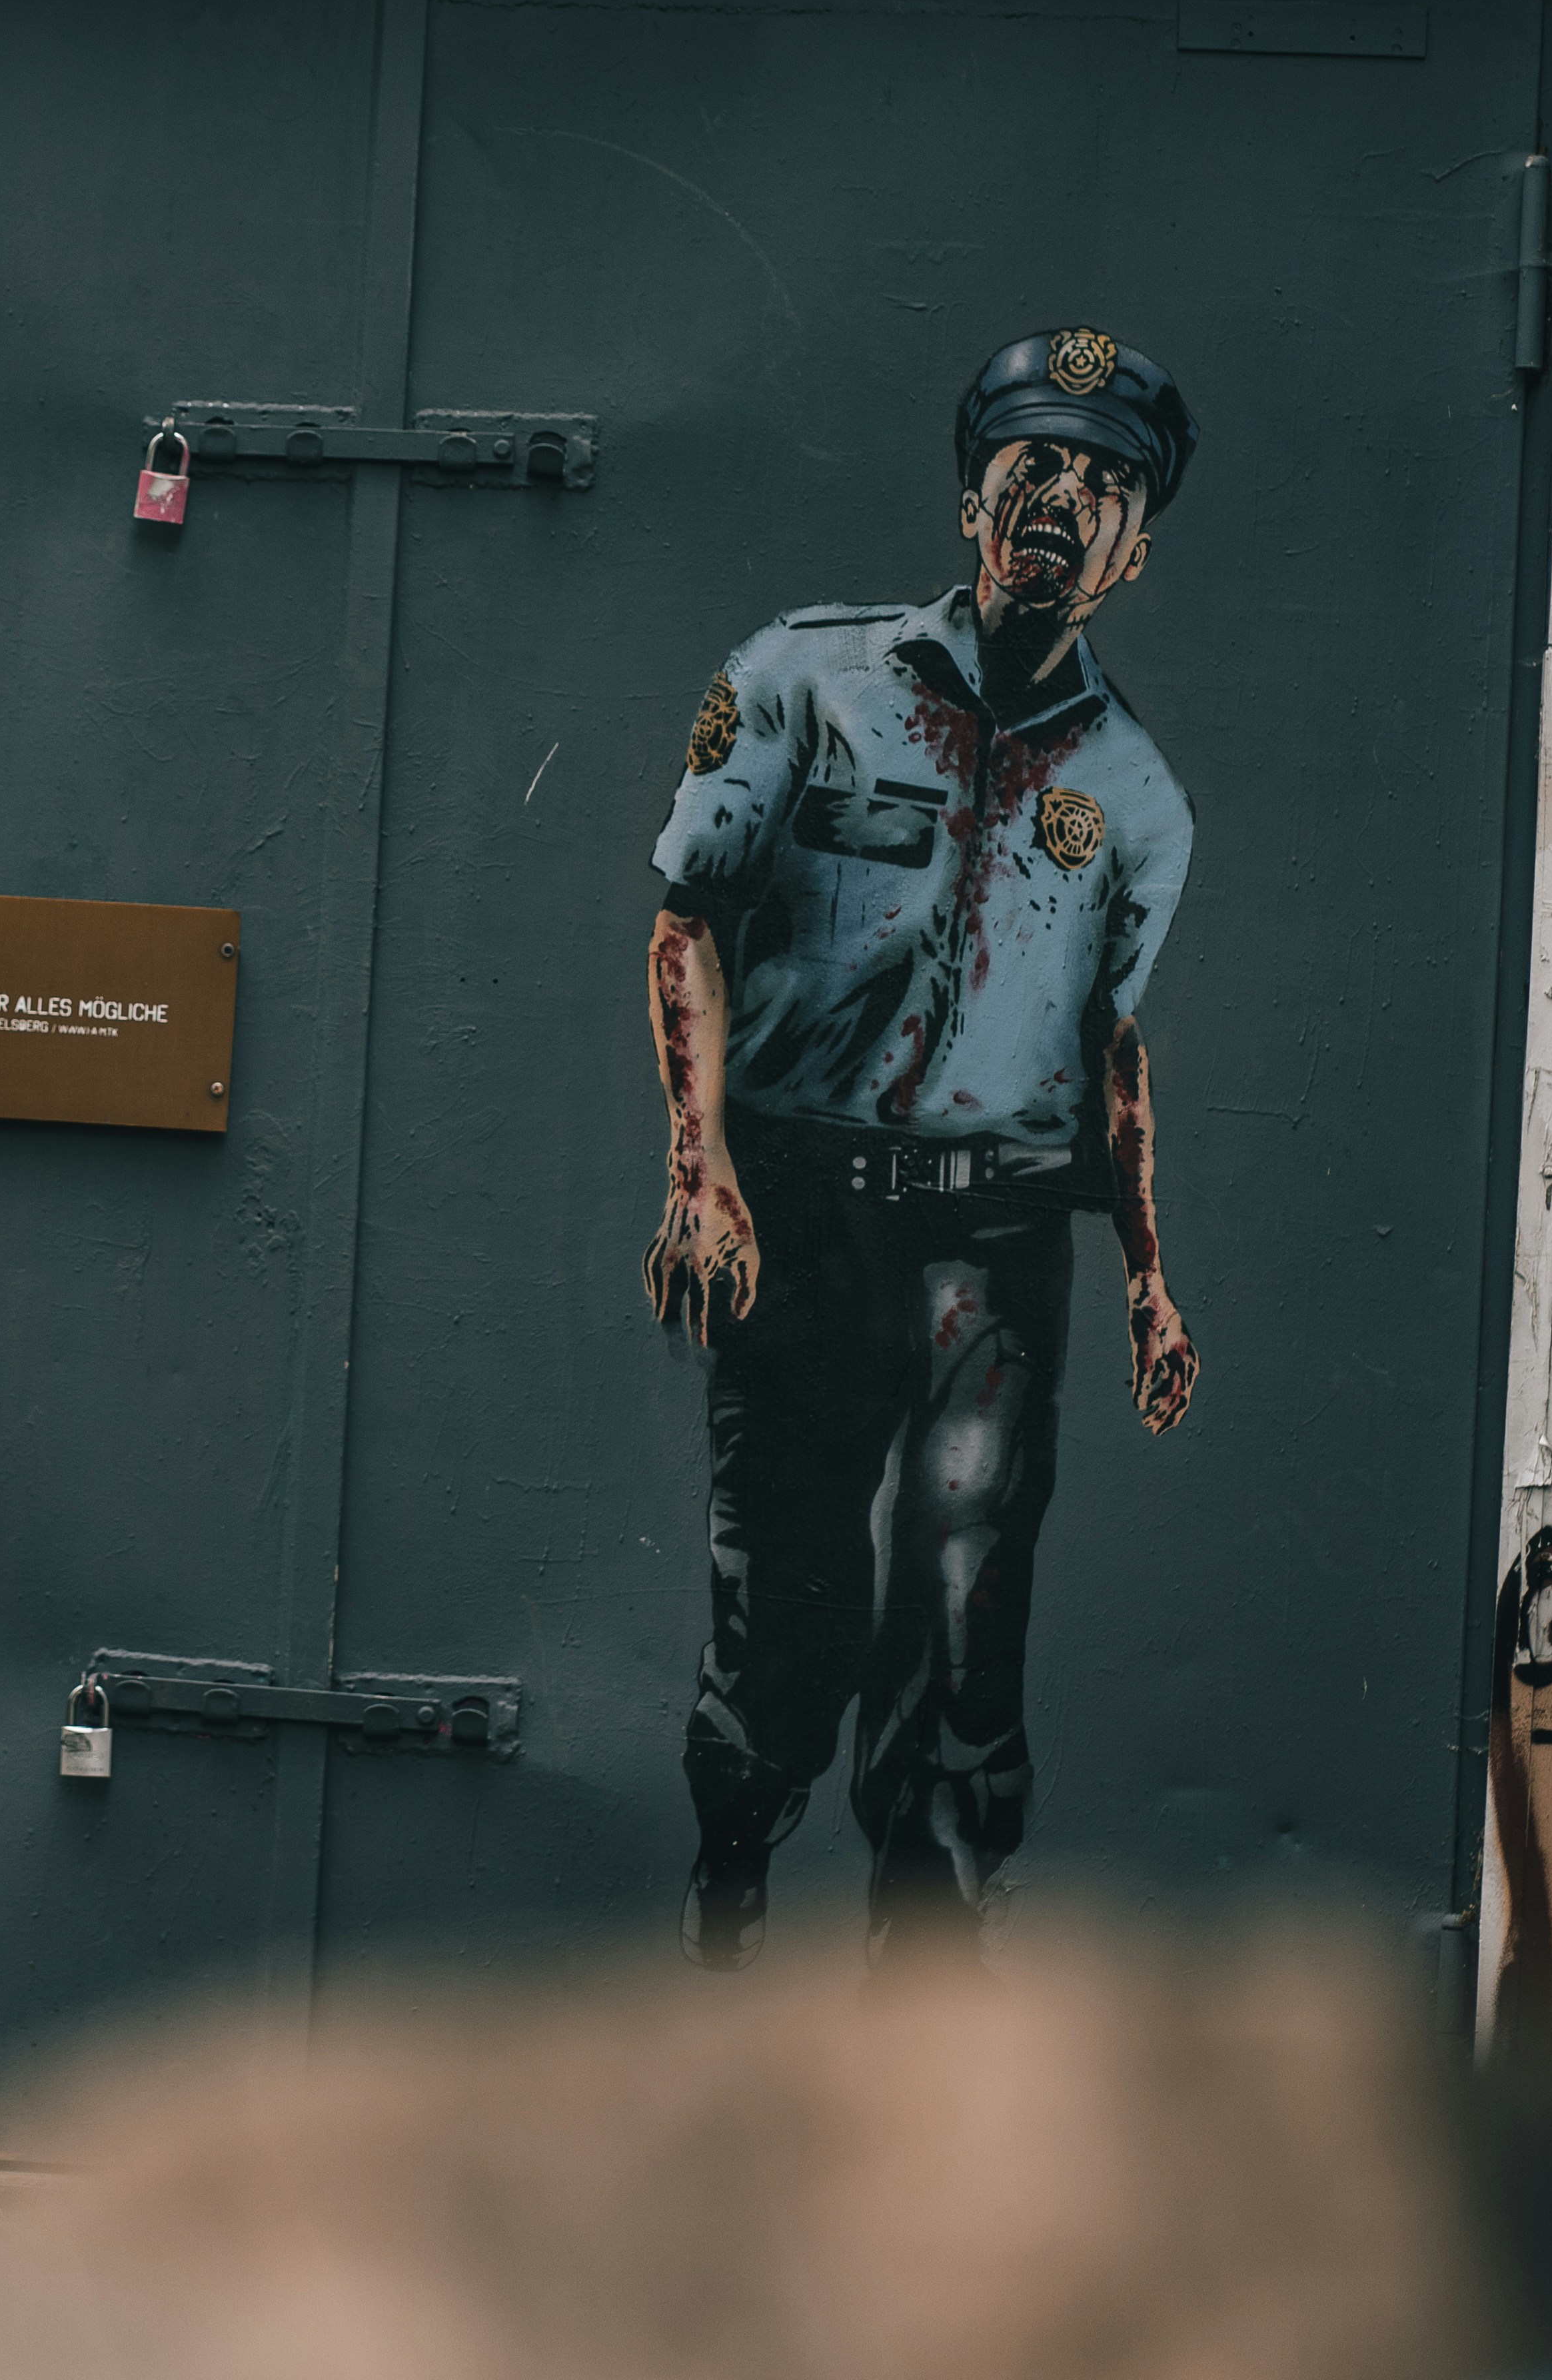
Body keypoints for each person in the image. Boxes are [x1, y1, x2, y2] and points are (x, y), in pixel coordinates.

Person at [642, 328, 1202, 1967]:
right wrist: (703, 1167)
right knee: (789, 1595)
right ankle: (730, 1888)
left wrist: (1151, 1278)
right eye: (1034, 465)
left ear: (1134, 548)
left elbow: (1114, 1051)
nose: (1063, 501)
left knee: (964, 1611)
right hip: (803, 1219)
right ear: (974, 496)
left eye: (1106, 484)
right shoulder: (802, 679)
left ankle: (928, 1995)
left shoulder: (1140, 796)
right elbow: (689, 921)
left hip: (998, 1247)